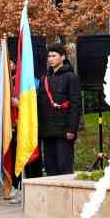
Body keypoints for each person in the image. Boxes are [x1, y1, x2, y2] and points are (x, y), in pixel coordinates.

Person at [37, 44, 82, 177]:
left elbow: (76, 105)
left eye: (54, 56)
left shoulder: (71, 77)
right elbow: (39, 103)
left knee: (64, 166)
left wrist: (71, 129)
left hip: (64, 131)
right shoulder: (44, 78)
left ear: (62, 57)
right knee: (50, 167)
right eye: (49, 56)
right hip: (47, 130)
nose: (50, 59)